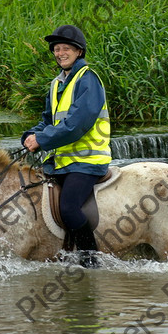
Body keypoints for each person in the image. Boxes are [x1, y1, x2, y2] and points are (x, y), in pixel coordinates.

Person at [21, 25, 111, 268]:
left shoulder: (88, 79)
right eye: (56, 49)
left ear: (79, 52)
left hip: (87, 161)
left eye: (65, 49)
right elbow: (48, 120)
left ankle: (91, 261)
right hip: (62, 163)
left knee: (69, 207)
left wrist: (44, 140)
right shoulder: (57, 83)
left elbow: (77, 124)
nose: (60, 53)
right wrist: (32, 135)